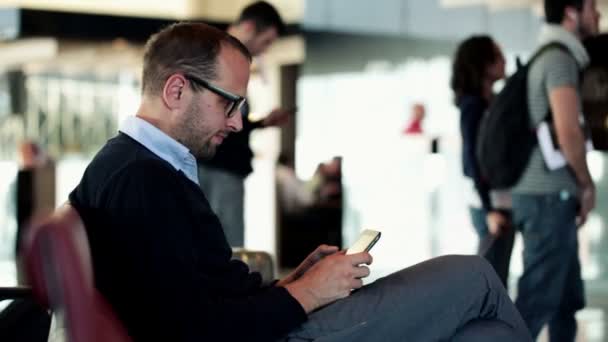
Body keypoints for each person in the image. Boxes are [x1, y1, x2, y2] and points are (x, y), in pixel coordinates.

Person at [68, 22, 532, 342]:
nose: (236, 123)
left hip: (270, 325)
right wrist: (305, 294)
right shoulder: (142, 181)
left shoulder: (132, 165)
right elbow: (195, 330)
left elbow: (195, 291)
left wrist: (292, 282)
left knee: (485, 333)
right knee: (476, 277)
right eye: (230, 105)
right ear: (176, 90)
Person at [510, 0, 600, 340]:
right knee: (537, 301)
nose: (599, 15)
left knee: (565, 299)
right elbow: (568, 132)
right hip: (547, 196)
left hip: (547, 196)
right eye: (592, 7)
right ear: (571, 12)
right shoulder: (559, 59)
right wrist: (586, 184)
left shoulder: (552, 54)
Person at [197, 1, 292, 247]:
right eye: (266, 41)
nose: (264, 50)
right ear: (249, 27)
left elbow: (225, 119)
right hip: (216, 166)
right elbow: (207, 116)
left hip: (222, 166)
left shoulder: (229, 59)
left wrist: (260, 123)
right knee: (226, 243)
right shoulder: (213, 55)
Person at [450, 35, 514, 287]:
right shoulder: (473, 106)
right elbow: (472, 160)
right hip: (489, 203)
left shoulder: (491, 102)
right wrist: (489, 210)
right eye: (498, 56)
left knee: (497, 279)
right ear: (484, 64)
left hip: (499, 200)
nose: (504, 60)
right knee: (491, 282)